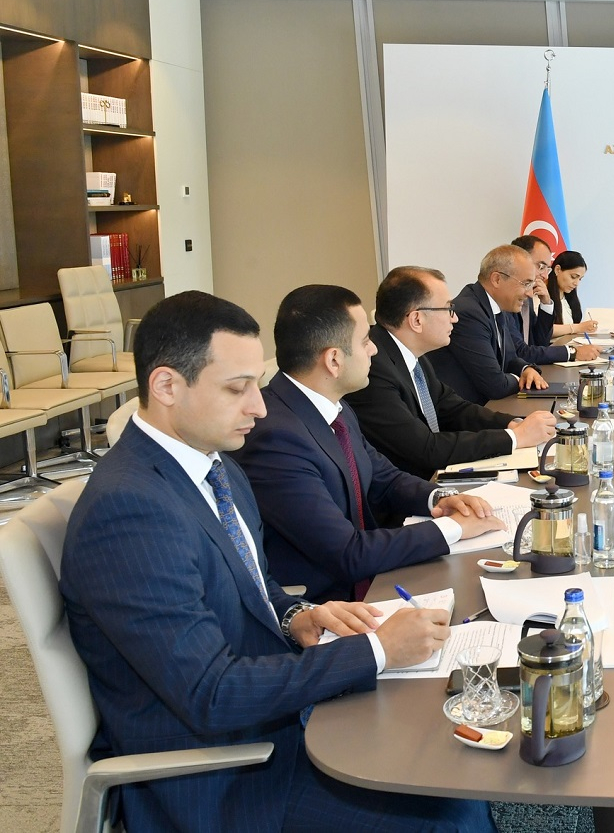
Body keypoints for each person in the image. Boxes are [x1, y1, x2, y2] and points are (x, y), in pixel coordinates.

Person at [60, 290, 494, 832]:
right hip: (224, 777)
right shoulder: (129, 511)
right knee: (448, 814)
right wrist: (378, 650)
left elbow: (258, 586)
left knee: (449, 760)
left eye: (256, 385)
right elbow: (211, 693)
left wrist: (298, 616)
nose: (259, 407)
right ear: (166, 386)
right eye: (237, 388)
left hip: (270, 722)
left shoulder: (215, 466)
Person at [234, 285, 502, 603]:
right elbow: (347, 553)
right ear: (334, 360)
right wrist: (453, 528)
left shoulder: (334, 406)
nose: (374, 350)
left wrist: (441, 499)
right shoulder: (276, 439)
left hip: (375, 572)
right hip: (335, 602)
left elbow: (384, 478)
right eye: (365, 341)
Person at [344, 266, 556, 480]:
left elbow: (453, 408)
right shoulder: (375, 370)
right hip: (411, 486)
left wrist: (513, 424)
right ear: (417, 320)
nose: (454, 318)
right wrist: (515, 437)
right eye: (448, 309)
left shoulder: (412, 354)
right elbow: (425, 448)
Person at [431, 245, 551, 403]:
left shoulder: (498, 305)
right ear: (497, 279)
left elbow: (510, 358)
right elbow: (496, 385)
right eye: (526, 283)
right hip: (466, 411)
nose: (529, 293)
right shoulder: (469, 313)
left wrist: (526, 369)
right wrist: (519, 378)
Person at [504, 234, 601, 365]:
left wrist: (546, 303)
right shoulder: (505, 300)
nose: (545, 276)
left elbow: (540, 342)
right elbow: (521, 352)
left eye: (547, 269)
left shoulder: (529, 298)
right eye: (541, 267)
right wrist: (572, 352)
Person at [547, 250, 599, 343]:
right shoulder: (542, 297)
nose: (576, 283)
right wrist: (578, 327)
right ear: (557, 270)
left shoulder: (569, 298)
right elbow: (544, 330)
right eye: (573, 277)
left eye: (580, 279)